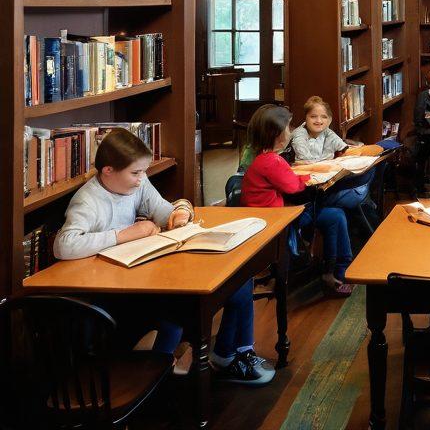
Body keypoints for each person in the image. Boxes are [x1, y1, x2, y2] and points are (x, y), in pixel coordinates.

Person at [54, 128, 274, 385]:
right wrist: (124, 234)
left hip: (140, 275)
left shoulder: (136, 184)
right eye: (135, 173)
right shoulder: (88, 200)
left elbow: (161, 210)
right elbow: (64, 245)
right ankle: (164, 373)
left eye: (143, 172)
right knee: (181, 311)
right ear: (108, 171)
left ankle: (233, 353)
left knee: (240, 281)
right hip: (113, 291)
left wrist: (178, 214)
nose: (141, 179)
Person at [240, 104, 357, 298]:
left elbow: (287, 180)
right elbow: (293, 186)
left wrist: (302, 176)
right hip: (278, 220)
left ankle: (337, 269)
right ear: (277, 134)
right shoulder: (272, 161)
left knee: (334, 215)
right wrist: (310, 177)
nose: (291, 131)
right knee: (335, 216)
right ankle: (336, 272)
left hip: (271, 215)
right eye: (288, 128)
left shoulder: (264, 157)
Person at [290, 94, 384, 211]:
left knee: (371, 168)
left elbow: (344, 148)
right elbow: (306, 161)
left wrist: (360, 153)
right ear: (306, 118)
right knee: (359, 186)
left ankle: (364, 201)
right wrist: (332, 166)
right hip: (309, 180)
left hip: (328, 176)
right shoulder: (300, 134)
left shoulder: (327, 132)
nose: (319, 121)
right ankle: (363, 201)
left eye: (324, 117)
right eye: (313, 116)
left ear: (329, 120)